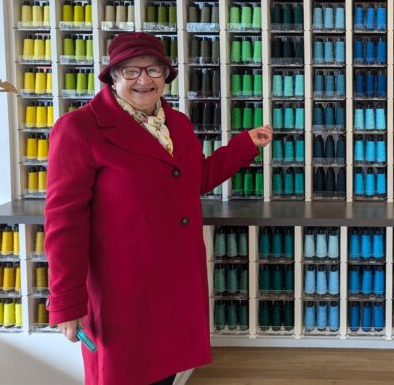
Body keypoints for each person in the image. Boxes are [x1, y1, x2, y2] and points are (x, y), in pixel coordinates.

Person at [44, 32, 272, 385]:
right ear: (113, 75)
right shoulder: (79, 129)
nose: (144, 80)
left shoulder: (177, 123)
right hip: (123, 285)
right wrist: (66, 301)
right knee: (125, 374)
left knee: (165, 372)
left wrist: (243, 146)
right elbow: (63, 222)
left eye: (153, 70)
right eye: (131, 71)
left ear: (166, 76)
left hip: (176, 276)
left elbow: (193, 180)